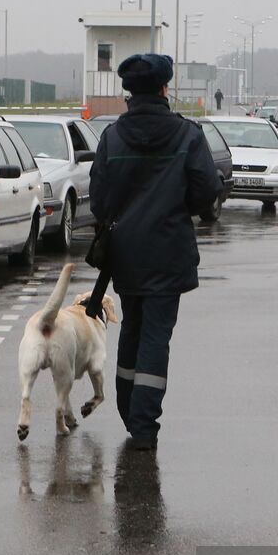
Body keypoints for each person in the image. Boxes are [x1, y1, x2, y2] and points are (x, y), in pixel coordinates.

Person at [89, 54, 222, 451]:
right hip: (168, 252)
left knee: (132, 325)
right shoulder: (187, 135)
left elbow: (98, 199)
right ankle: (144, 424)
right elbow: (207, 191)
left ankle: (129, 409)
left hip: (125, 255)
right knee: (156, 336)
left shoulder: (112, 137)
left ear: (129, 91)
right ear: (164, 89)